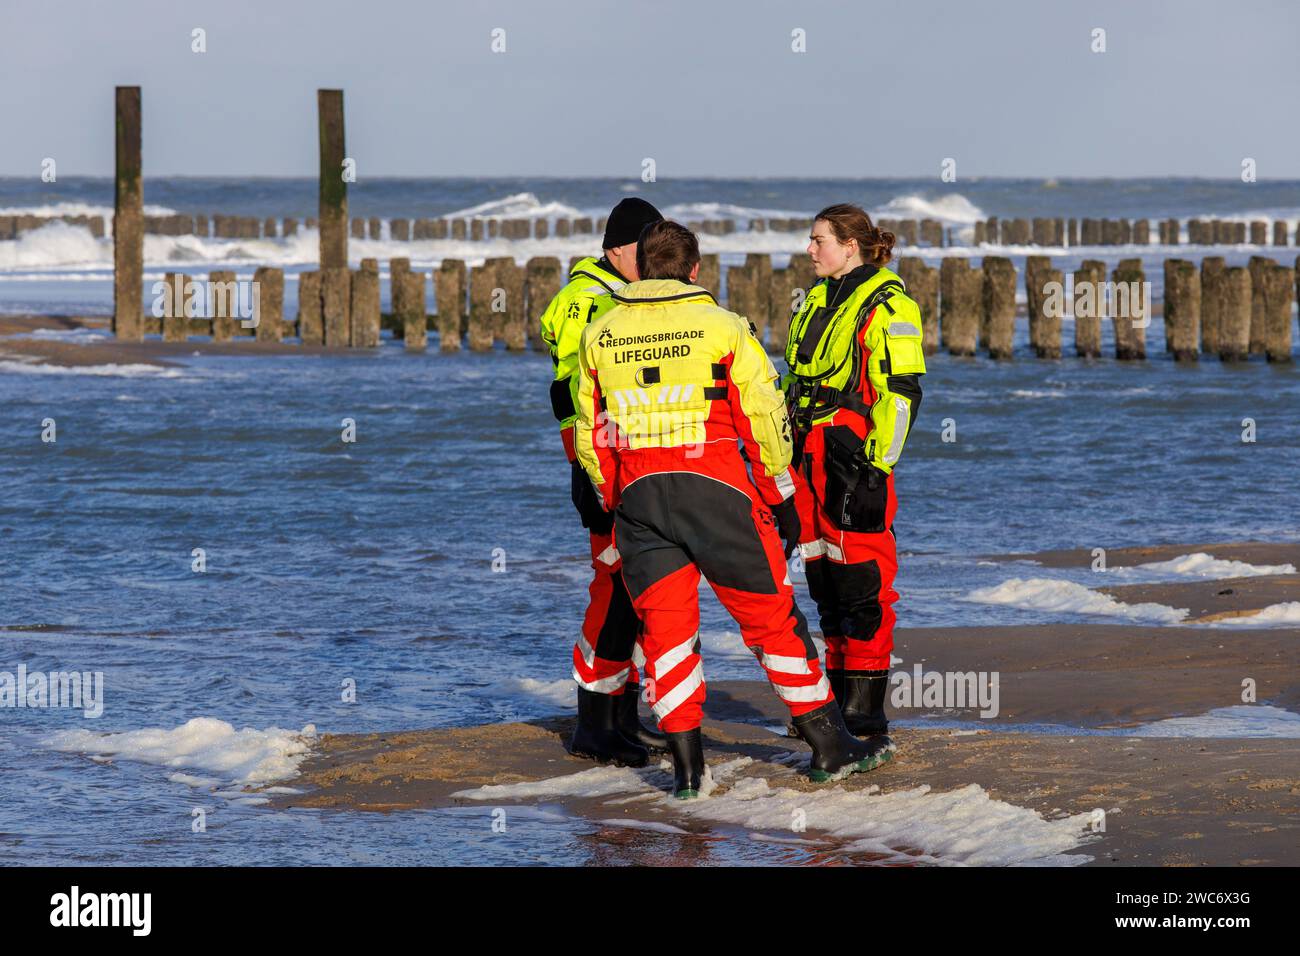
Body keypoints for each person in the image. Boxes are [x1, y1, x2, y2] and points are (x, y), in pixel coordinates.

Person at [574, 220, 890, 798]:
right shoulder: (725, 329)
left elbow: (590, 436)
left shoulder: (600, 333)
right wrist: (782, 496)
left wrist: (615, 497)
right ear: (694, 270)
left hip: (639, 496)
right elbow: (765, 420)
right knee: (771, 618)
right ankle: (831, 744)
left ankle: (689, 770)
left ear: (642, 268)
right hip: (716, 489)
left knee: (666, 632)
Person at [783, 204, 926, 750]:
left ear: (851, 245)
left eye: (819, 239)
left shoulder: (891, 305)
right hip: (808, 457)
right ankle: (836, 708)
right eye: (811, 238)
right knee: (824, 583)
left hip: (853, 460)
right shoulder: (817, 298)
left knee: (864, 587)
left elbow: (903, 392)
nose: (810, 249)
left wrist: (876, 467)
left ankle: (866, 718)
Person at [538, 197, 667, 767]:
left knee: (636, 586)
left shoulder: (624, 295)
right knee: (613, 585)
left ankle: (622, 716)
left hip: (632, 462)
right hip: (601, 466)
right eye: (647, 247)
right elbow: (573, 396)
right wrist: (586, 472)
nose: (656, 257)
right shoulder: (584, 301)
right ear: (619, 249)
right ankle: (594, 722)